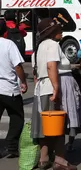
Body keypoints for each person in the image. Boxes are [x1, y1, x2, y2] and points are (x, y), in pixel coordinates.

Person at [31, 18, 80, 170]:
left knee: (45, 127)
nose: (62, 32)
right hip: (50, 88)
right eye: (59, 30)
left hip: (41, 89)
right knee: (57, 127)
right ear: (52, 32)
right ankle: (60, 160)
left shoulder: (39, 47)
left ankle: (44, 158)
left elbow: (36, 72)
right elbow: (51, 66)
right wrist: (56, 88)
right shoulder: (53, 45)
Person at [0, 20, 27, 159]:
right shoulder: (8, 44)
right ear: (5, 31)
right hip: (9, 89)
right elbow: (17, 66)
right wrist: (23, 81)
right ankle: (12, 146)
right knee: (17, 118)